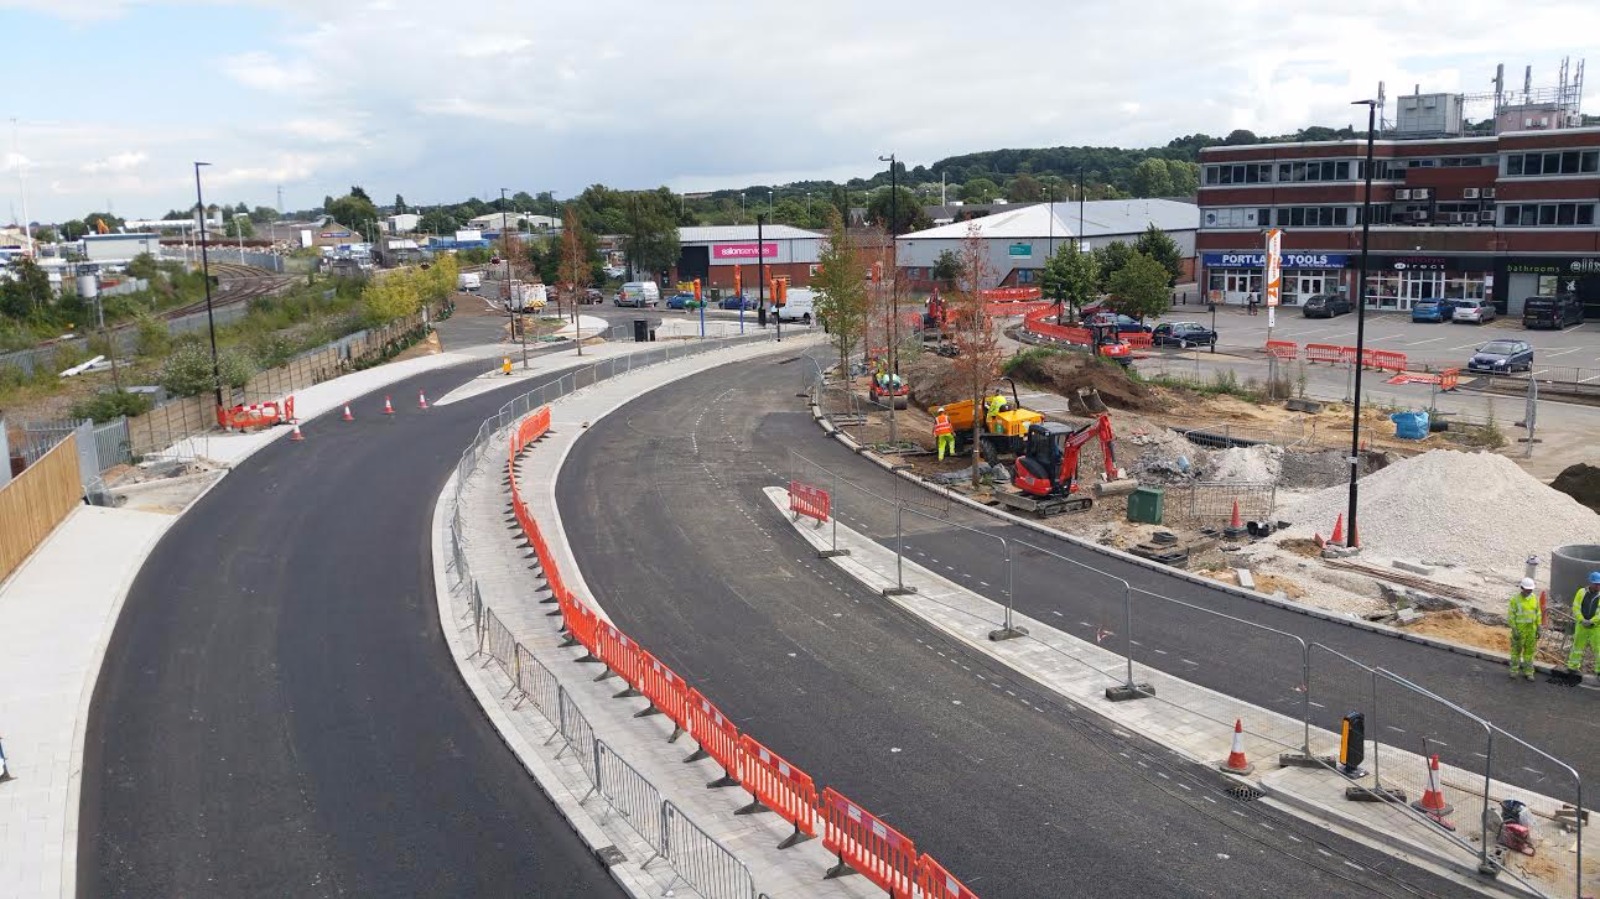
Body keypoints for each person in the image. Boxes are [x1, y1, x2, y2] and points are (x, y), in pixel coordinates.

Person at [1508, 577, 1542, 680]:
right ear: (1522, 588)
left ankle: (1529, 672)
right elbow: (1511, 615)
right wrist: (1514, 629)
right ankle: (1514, 670)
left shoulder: (1534, 598)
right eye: (1528, 589)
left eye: (1531, 589)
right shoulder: (1515, 599)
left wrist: (1539, 627)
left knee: (1529, 652)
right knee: (1516, 652)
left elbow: (1538, 613)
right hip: (1519, 630)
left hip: (1531, 630)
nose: (1529, 591)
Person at [1568, 572, 1600, 678]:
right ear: (1590, 583)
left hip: (1596, 627)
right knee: (1577, 647)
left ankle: (1599, 671)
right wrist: (1581, 619)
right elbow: (1576, 606)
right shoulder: (1581, 592)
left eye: (1599, 584)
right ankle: (1572, 667)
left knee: (1598, 649)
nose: (1598, 586)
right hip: (1581, 626)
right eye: (1596, 584)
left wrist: (1591, 621)